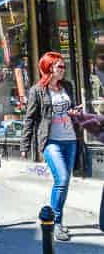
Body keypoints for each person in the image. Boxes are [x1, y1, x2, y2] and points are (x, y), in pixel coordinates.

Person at [21, 51, 82, 242]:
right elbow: (30, 118)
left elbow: (72, 110)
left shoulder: (68, 87)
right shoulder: (37, 91)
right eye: (59, 66)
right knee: (62, 178)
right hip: (50, 141)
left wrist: (74, 112)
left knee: (65, 181)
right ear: (49, 68)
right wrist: (25, 144)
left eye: (63, 66)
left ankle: (57, 219)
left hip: (70, 139)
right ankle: (56, 222)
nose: (63, 70)